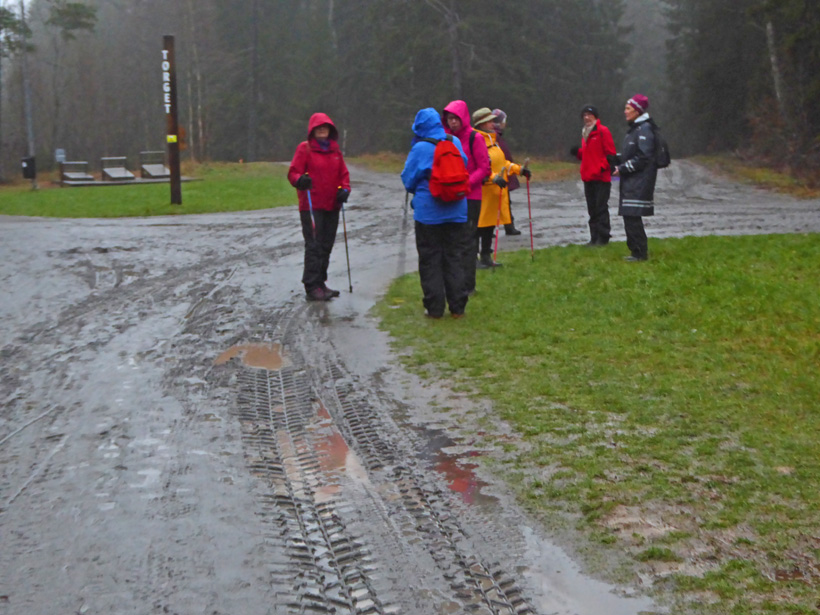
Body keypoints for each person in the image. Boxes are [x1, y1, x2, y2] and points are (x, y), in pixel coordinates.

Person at [401, 107, 470, 319]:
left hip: (428, 214)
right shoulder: (454, 142)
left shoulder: (420, 148)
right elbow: (464, 166)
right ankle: (457, 307)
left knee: (430, 260)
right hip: (457, 211)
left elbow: (408, 179)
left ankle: (435, 308)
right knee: (454, 257)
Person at [288, 112, 351, 301]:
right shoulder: (304, 149)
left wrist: (345, 190)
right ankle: (311, 285)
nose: (322, 129)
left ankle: (320, 283)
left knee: (326, 245)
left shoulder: (335, 151)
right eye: (318, 127)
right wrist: (300, 180)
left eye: (325, 127)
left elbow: (344, 175)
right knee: (314, 245)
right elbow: (293, 173)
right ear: (312, 130)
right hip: (311, 205)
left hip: (332, 205)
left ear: (331, 130)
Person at [442, 100, 491, 296]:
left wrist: (466, 184)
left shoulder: (474, 137)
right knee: (453, 241)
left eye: (456, 118)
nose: (453, 122)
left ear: (463, 118)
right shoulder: (446, 138)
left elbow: (484, 168)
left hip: (471, 196)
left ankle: (468, 284)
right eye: (449, 119)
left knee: (469, 241)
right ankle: (455, 282)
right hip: (453, 196)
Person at [471, 107, 530, 269]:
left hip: (495, 192)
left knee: (489, 226)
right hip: (482, 192)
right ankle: (472, 259)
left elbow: (502, 163)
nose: (493, 123)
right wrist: (493, 178)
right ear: (481, 124)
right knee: (477, 227)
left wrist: (519, 170)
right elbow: (477, 167)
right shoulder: (476, 141)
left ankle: (486, 256)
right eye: (489, 121)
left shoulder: (493, 140)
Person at [612, 94, 657, 261]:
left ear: (637, 111)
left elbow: (644, 157)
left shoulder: (644, 129)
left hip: (639, 182)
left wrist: (622, 169)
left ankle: (640, 253)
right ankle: (635, 252)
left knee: (632, 216)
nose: (625, 111)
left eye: (628, 108)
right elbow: (631, 154)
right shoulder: (635, 129)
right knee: (629, 216)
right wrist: (615, 159)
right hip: (631, 181)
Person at [570, 104, 616, 246]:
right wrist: (578, 153)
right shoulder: (585, 133)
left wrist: (602, 168)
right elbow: (588, 155)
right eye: (584, 115)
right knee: (592, 209)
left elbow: (610, 154)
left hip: (601, 177)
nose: (586, 117)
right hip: (588, 177)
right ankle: (594, 238)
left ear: (595, 117)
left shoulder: (603, 131)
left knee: (601, 208)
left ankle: (603, 238)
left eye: (589, 115)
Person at [491, 109, 523, 236]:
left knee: (502, 202)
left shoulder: (497, 136)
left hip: (503, 170)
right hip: (499, 173)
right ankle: (506, 227)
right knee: (501, 202)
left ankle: (506, 226)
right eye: (504, 121)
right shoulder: (495, 137)